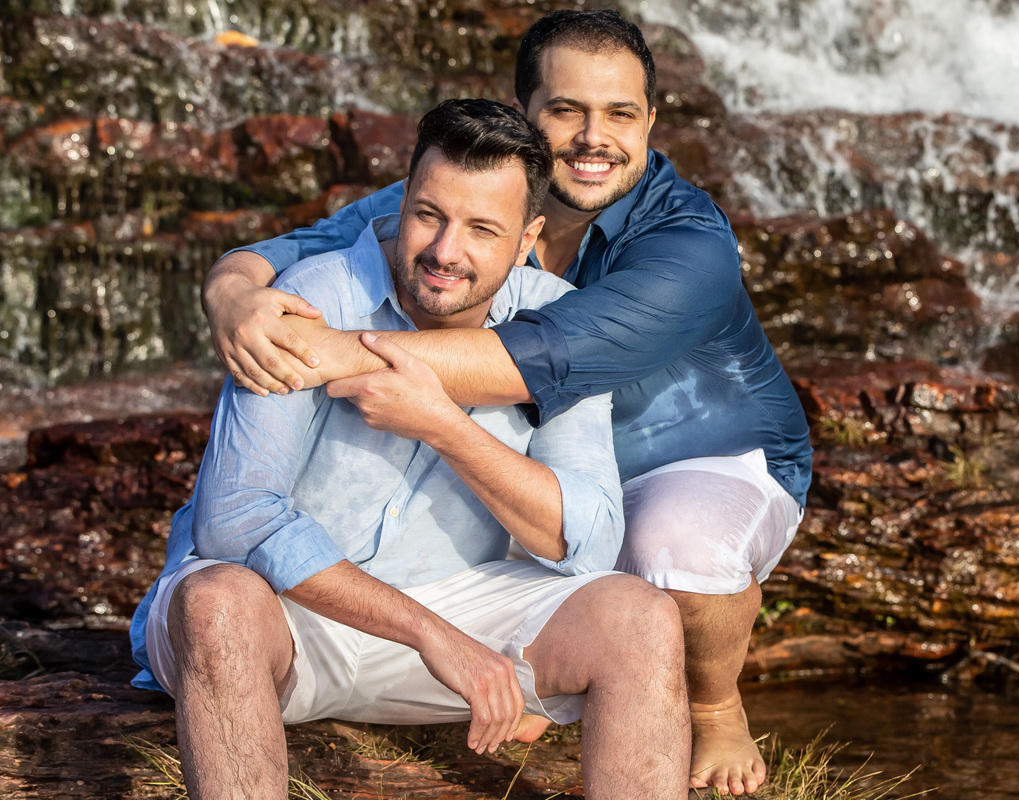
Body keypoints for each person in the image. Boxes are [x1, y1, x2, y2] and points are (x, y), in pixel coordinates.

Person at [202, 9, 812, 796]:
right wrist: (233, 294)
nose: (595, 137)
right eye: (566, 111)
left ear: (652, 122)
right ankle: (529, 677)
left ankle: (716, 702)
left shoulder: (688, 246)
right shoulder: (458, 187)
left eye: (621, 114)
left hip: (697, 453)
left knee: (671, 552)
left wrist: (326, 354)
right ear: (525, 115)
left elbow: (543, 358)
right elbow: (303, 252)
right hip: (551, 467)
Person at [128, 98, 689, 800]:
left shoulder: (557, 320)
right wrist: (429, 634)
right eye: (429, 214)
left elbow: (589, 537)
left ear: (525, 239)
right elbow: (235, 519)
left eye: (483, 229)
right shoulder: (310, 300)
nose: (445, 251)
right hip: (294, 612)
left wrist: (443, 423)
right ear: (403, 198)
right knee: (216, 600)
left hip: (462, 608)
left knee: (641, 619)